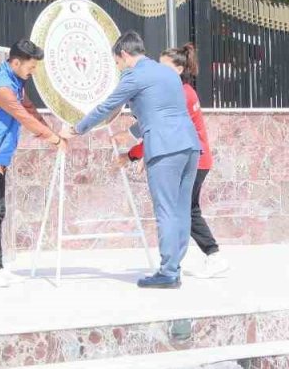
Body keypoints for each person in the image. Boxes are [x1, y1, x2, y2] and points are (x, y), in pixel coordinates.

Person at [62, 31, 200, 289]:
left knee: (167, 210)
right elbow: (161, 109)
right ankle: (175, 267)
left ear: (125, 55)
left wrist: (76, 129)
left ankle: (169, 272)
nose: (118, 67)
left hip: (164, 148)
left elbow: (107, 107)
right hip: (190, 145)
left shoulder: (134, 76)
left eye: (117, 62)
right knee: (181, 210)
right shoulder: (168, 73)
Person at [0, 39, 66, 288]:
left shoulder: (16, 81)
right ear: (17, 62)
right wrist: (53, 139)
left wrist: (54, 131)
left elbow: (29, 109)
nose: (32, 72)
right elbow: (21, 116)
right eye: (31, 67)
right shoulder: (1, 88)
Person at [122, 44, 229, 278]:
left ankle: (213, 254)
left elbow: (163, 130)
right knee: (186, 209)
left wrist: (135, 153)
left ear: (179, 69)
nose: (159, 71)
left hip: (192, 157)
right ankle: (189, 259)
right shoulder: (182, 90)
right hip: (195, 156)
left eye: (165, 67)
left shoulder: (180, 93)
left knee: (186, 210)